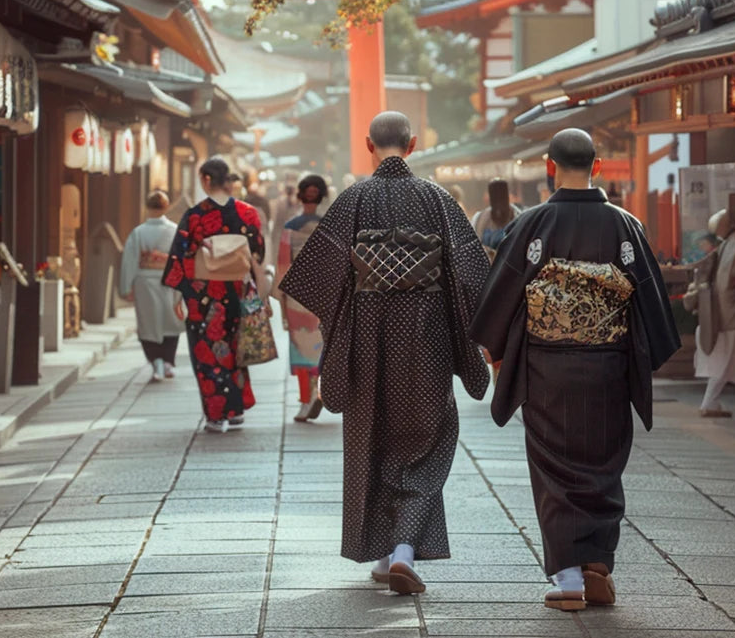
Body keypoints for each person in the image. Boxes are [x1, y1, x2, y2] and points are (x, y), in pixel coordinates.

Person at [279, 112, 491, 596]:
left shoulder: (352, 199)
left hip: (366, 343)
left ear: (368, 143)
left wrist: (356, 300)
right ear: (412, 145)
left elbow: (319, 280)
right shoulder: (439, 199)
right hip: (429, 340)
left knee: (370, 441)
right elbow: (474, 277)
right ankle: (400, 552)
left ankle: (384, 550)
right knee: (429, 441)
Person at [469, 128, 680, 613]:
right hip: (607, 364)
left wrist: (498, 352)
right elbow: (652, 306)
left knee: (554, 466)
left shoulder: (533, 224)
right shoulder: (625, 226)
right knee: (604, 463)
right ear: (598, 165)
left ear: (549, 165)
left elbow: (499, 298)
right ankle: (598, 564)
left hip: (548, 366)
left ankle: (567, 577)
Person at [163, 158, 267, 433]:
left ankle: (215, 414)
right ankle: (236, 411)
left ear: (207, 180)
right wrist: (260, 293)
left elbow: (182, 255)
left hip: (204, 295)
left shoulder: (195, 215)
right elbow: (257, 253)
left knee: (208, 353)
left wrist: (178, 295)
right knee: (235, 349)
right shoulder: (248, 213)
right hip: (239, 291)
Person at [274, 175, 329, 422]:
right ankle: (321, 389)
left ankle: (305, 400)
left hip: (298, 297)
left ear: (300, 194)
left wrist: (280, 297)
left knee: (300, 349)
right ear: (322, 195)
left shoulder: (291, 228)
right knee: (322, 347)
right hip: (325, 298)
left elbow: (284, 266)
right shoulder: (330, 226)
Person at [693, 201, 735, 417]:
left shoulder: (731, 242)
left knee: (724, 361)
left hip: (727, 312)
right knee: (727, 360)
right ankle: (709, 403)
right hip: (734, 312)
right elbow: (734, 278)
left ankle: (710, 403)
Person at [120, 190, 185, 382]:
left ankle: (156, 361)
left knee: (148, 324)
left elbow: (130, 261)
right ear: (166, 207)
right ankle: (167, 363)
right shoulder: (174, 230)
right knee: (170, 322)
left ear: (147, 208)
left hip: (145, 281)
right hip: (169, 281)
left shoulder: (138, 232)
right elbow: (181, 259)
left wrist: (126, 287)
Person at [471, 178, 521, 259]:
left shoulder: (518, 217)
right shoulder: (480, 218)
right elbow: (475, 245)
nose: (499, 201)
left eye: (501, 196)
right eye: (495, 196)